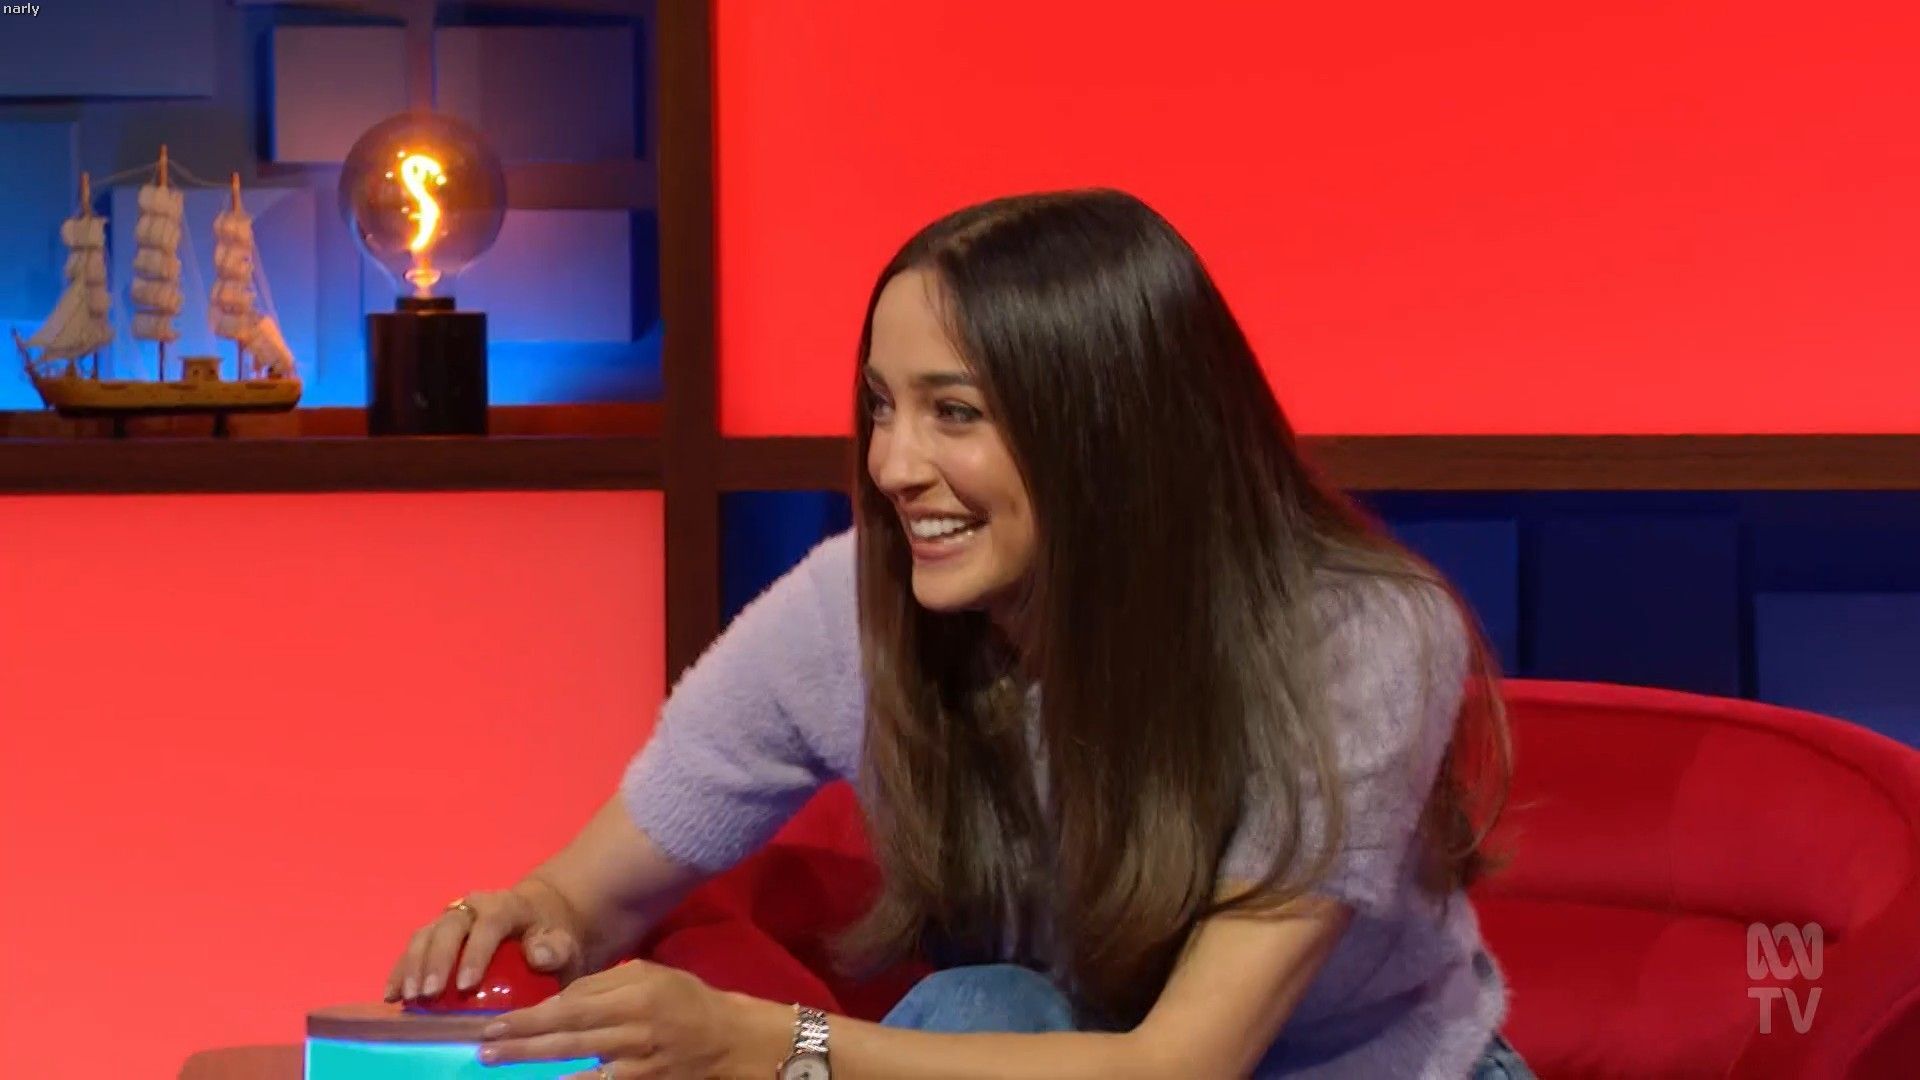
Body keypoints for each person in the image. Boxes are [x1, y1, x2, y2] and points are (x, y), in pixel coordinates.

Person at [385, 189, 1530, 1078]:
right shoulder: (850, 609)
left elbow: (1184, 1064)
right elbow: (590, 895)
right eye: (881, 407)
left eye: (954, 413)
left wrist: (777, 1047)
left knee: (989, 1012)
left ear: (1111, 433)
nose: (892, 466)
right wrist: (519, 922)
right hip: (1049, 1053)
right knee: (994, 1008)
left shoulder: (1354, 638)